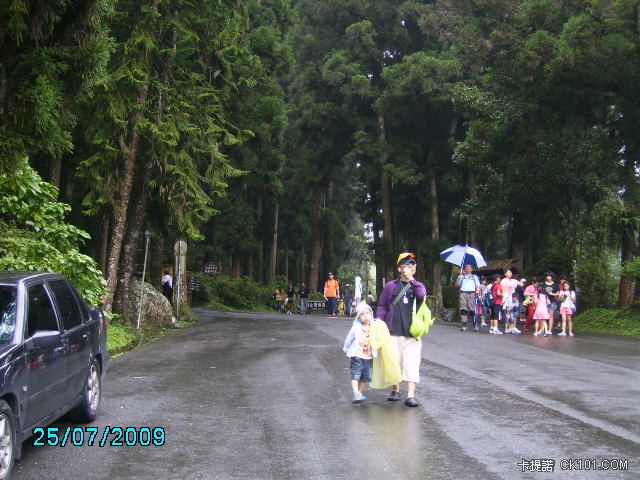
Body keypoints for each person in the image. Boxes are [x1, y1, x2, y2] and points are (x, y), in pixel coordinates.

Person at [375, 252, 427, 407]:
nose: (410, 267)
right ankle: (395, 390)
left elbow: (421, 296)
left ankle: (410, 395)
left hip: (412, 333)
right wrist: (379, 321)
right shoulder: (390, 286)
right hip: (393, 331)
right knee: (394, 362)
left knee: (412, 363)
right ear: (399, 268)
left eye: (413, 265)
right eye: (406, 264)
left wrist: (411, 279)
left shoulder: (418, 286)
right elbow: (383, 305)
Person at [343, 303, 376, 404]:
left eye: (367, 313)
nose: (365, 316)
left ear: (371, 314)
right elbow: (349, 339)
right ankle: (355, 392)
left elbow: (378, 339)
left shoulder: (374, 327)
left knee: (365, 377)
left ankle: (358, 394)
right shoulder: (356, 327)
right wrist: (346, 349)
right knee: (356, 375)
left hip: (369, 357)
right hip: (357, 355)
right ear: (358, 317)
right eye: (362, 314)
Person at [455, 264, 481, 332]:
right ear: (464, 269)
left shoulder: (474, 277)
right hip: (463, 293)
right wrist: (458, 278)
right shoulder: (462, 277)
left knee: (472, 309)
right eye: (466, 267)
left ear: (472, 269)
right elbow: (457, 285)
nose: (468, 269)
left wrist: (478, 290)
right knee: (463, 309)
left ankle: (475, 324)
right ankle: (464, 324)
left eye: (469, 267)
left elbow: (478, 285)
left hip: (471, 293)